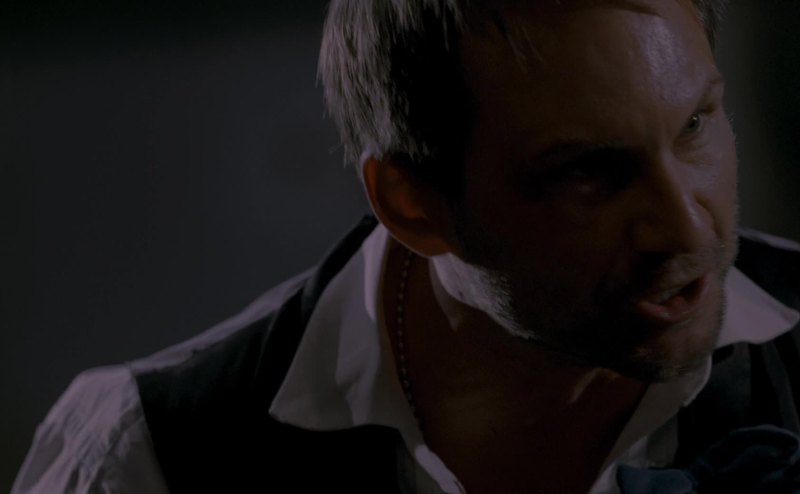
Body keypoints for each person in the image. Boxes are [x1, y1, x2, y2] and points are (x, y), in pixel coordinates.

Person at [13, 0, 800, 493]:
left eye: (695, 125)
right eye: (588, 172)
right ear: (413, 204)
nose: (686, 228)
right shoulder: (150, 453)